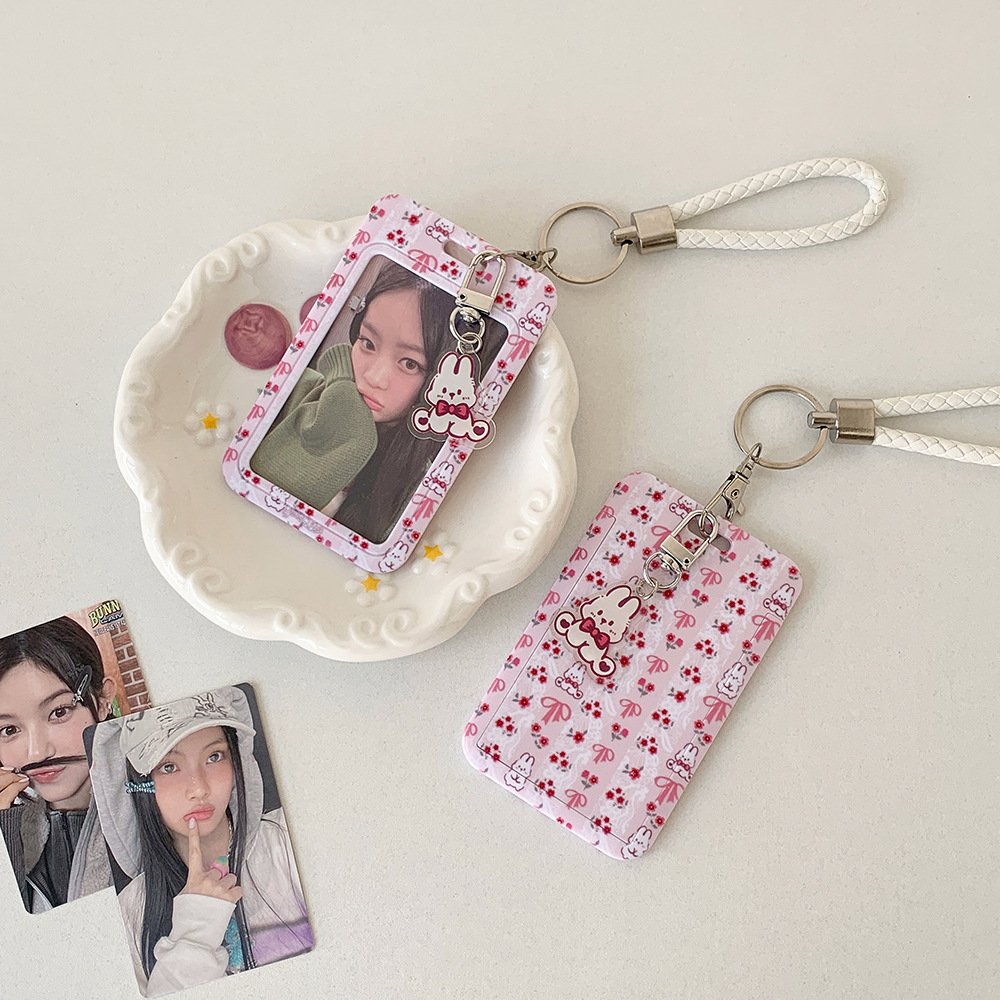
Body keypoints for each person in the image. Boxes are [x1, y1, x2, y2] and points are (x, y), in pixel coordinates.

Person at [251, 259, 504, 542]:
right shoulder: (296, 391)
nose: (374, 377)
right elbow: (259, 499)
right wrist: (342, 394)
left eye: (410, 364)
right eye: (368, 343)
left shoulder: (430, 481)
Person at [89, 686, 313, 997]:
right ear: (140, 786)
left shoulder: (289, 844)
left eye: (214, 757)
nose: (198, 788)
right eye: (169, 767)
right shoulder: (128, 914)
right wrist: (196, 930)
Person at [0, 616, 116, 912]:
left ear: (103, 700)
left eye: (59, 712)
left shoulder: (164, 804)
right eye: (9, 730)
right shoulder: (9, 826)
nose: (37, 753)